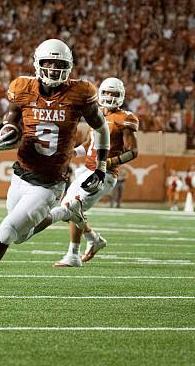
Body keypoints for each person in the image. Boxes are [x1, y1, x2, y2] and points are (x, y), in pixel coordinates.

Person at [0, 39, 110, 309]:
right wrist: (1, 135)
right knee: (20, 236)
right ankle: (66, 212)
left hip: (49, 185)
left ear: (69, 67)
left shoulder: (80, 93)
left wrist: (101, 165)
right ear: (37, 64)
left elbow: (101, 128)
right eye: (48, 64)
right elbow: (10, 120)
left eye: (60, 65)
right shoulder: (22, 88)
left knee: (5, 233)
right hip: (21, 174)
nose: (53, 70)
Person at [53, 77, 139, 267]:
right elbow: (89, 144)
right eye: (107, 93)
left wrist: (109, 162)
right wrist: (73, 152)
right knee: (67, 206)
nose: (109, 97)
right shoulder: (97, 114)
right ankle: (93, 239)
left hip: (105, 174)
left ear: (121, 96)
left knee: (72, 207)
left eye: (114, 94)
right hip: (86, 170)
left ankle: (73, 255)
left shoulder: (124, 118)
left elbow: (133, 152)